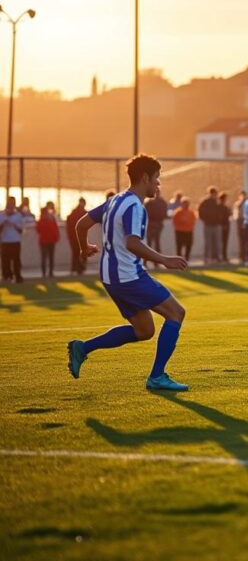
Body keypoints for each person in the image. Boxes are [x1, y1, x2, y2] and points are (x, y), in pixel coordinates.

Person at [66, 154, 190, 391]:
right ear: (145, 178)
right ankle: (157, 377)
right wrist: (165, 260)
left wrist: (85, 248)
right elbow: (132, 243)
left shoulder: (115, 200)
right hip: (128, 276)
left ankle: (83, 348)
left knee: (144, 331)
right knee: (176, 313)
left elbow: (81, 224)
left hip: (110, 277)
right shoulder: (135, 206)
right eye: (157, 178)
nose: (158, 184)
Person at [1, 196, 24, 283]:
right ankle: (6, 276)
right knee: (5, 260)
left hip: (15, 241)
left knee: (16, 260)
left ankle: (17, 276)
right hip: (5, 241)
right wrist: (4, 224)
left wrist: (14, 225)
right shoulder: (2, 215)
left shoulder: (18, 215)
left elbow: (21, 230)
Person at [197, 186, 222, 266]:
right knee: (208, 243)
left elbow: (220, 213)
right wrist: (205, 219)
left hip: (216, 225)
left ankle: (216, 258)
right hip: (208, 225)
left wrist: (218, 220)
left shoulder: (217, 202)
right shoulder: (205, 202)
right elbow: (200, 212)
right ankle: (206, 258)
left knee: (217, 242)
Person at [66, 197, 88, 275]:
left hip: (74, 237)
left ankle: (75, 268)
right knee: (79, 252)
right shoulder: (81, 212)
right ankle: (79, 268)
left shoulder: (74, 212)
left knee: (76, 253)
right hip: (78, 237)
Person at [37, 203, 59, 279]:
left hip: (50, 241)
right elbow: (39, 230)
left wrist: (56, 237)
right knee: (45, 257)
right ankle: (45, 273)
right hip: (44, 241)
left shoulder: (51, 219)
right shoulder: (42, 220)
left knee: (50, 257)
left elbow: (55, 229)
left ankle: (50, 272)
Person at [144, 192, 168, 261]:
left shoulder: (150, 202)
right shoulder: (151, 202)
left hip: (155, 224)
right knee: (152, 243)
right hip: (153, 224)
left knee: (154, 243)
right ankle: (150, 260)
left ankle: (154, 261)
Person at [217, 192, 231, 262]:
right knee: (220, 243)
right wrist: (222, 225)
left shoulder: (226, 207)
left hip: (226, 226)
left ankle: (224, 256)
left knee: (225, 243)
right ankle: (219, 257)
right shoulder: (219, 207)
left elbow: (229, 214)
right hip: (221, 227)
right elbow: (220, 217)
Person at [234, 190, 247, 264]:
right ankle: (241, 255)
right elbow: (236, 213)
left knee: (246, 241)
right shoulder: (238, 204)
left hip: (246, 222)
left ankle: (245, 256)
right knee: (241, 240)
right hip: (240, 222)